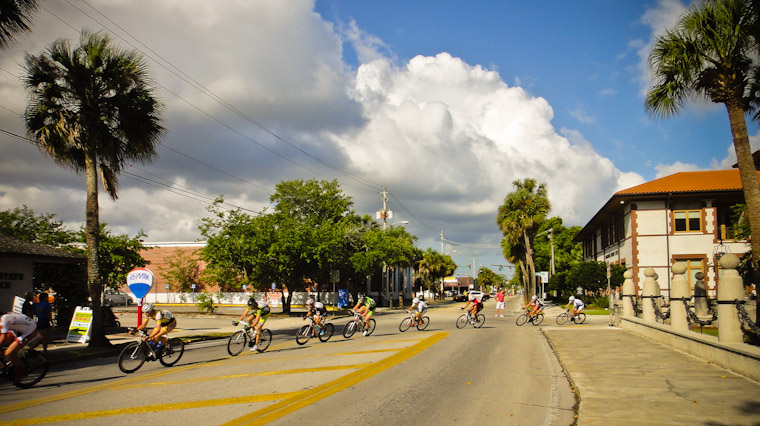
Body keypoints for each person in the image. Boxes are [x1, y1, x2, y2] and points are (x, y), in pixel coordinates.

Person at [0, 312, 38, 384]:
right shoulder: (4, 317)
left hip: (30, 330)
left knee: (9, 354)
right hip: (18, 329)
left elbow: (2, 338)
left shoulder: (4, 320)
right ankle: (4, 364)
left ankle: (21, 371)